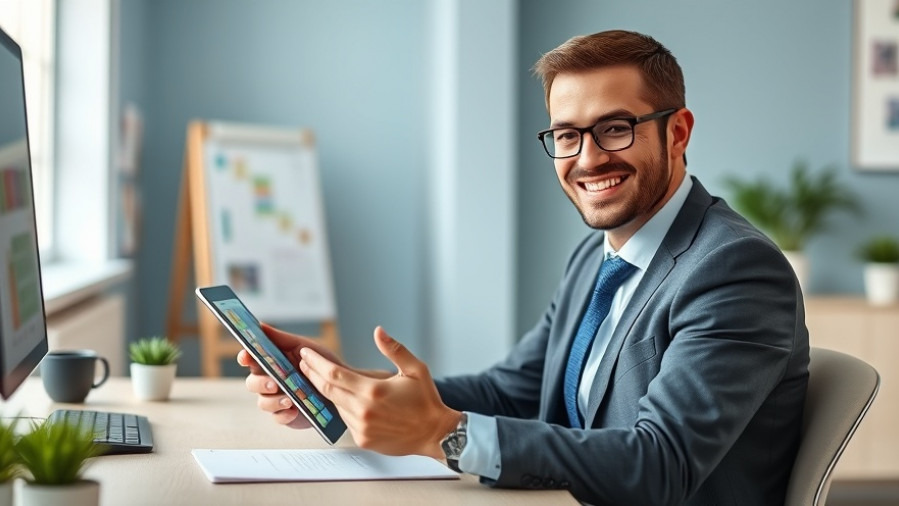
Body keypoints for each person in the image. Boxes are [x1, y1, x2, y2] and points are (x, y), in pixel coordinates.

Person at [238, 30, 809, 505]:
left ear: (677, 131)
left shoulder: (733, 268)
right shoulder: (597, 255)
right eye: (566, 135)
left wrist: (446, 436)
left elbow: (660, 467)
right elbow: (512, 390)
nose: (587, 159)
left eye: (615, 128)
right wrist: (353, 389)